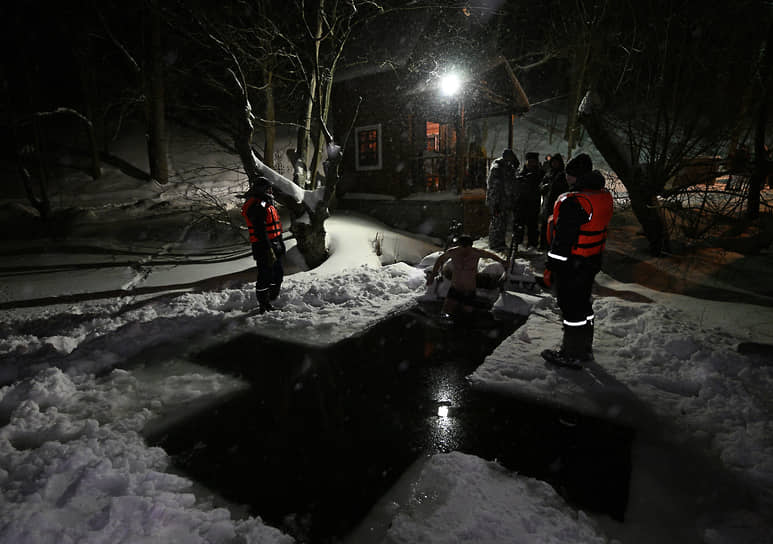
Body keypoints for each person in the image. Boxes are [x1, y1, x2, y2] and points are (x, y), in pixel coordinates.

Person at [541, 153, 613, 368]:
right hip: (591, 261)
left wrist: (552, 266)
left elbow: (563, 240)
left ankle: (571, 353)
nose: (567, 178)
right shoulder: (601, 196)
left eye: (569, 174)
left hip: (573, 263)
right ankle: (584, 349)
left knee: (571, 307)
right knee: (584, 305)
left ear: (576, 176)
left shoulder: (575, 202)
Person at [427, 234, 507, 320]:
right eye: (462, 247)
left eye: (467, 248)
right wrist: (432, 276)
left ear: (471, 246)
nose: (464, 251)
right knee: (446, 312)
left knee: (467, 315)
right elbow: (440, 259)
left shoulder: (476, 253)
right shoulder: (453, 252)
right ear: (459, 246)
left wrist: (502, 261)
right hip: (455, 288)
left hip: (469, 290)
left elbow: (492, 256)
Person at [241, 176, 286, 313]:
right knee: (265, 275)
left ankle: (271, 299)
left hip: (274, 243)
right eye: (268, 188)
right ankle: (264, 304)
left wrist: (280, 243)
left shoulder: (265, 202)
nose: (271, 191)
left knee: (277, 274)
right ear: (261, 189)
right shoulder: (257, 205)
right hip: (263, 246)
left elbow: (274, 226)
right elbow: (260, 230)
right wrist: (268, 249)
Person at [486, 148, 519, 251]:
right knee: (497, 222)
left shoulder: (507, 167)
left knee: (502, 222)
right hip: (498, 200)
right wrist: (495, 201)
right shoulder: (498, 167)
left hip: (504, 200)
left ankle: (499, 242)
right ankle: (495, 243)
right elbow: (495, 186)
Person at [513, 151, 544, 252]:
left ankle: (532, 245)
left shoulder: (540, 174)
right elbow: (516, 187)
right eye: (529, 161)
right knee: (519, 225)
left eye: (533, 162)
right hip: (521, 204)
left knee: (532, 226)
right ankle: (517, 245)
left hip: (533, 204)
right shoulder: (521, 173)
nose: (531, 164)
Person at [538, 154, 569, 250]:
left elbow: (564, 189)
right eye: (553, 162)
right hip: (547, 203)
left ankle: (551, 246)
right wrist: (543, 187)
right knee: (544, 226)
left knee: (554, 227)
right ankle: (543, 245)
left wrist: (553, 187)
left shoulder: (563, 175)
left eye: (556, 162)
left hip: (556, 203)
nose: (555, 164)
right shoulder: (548, 173)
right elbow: (541, 186)